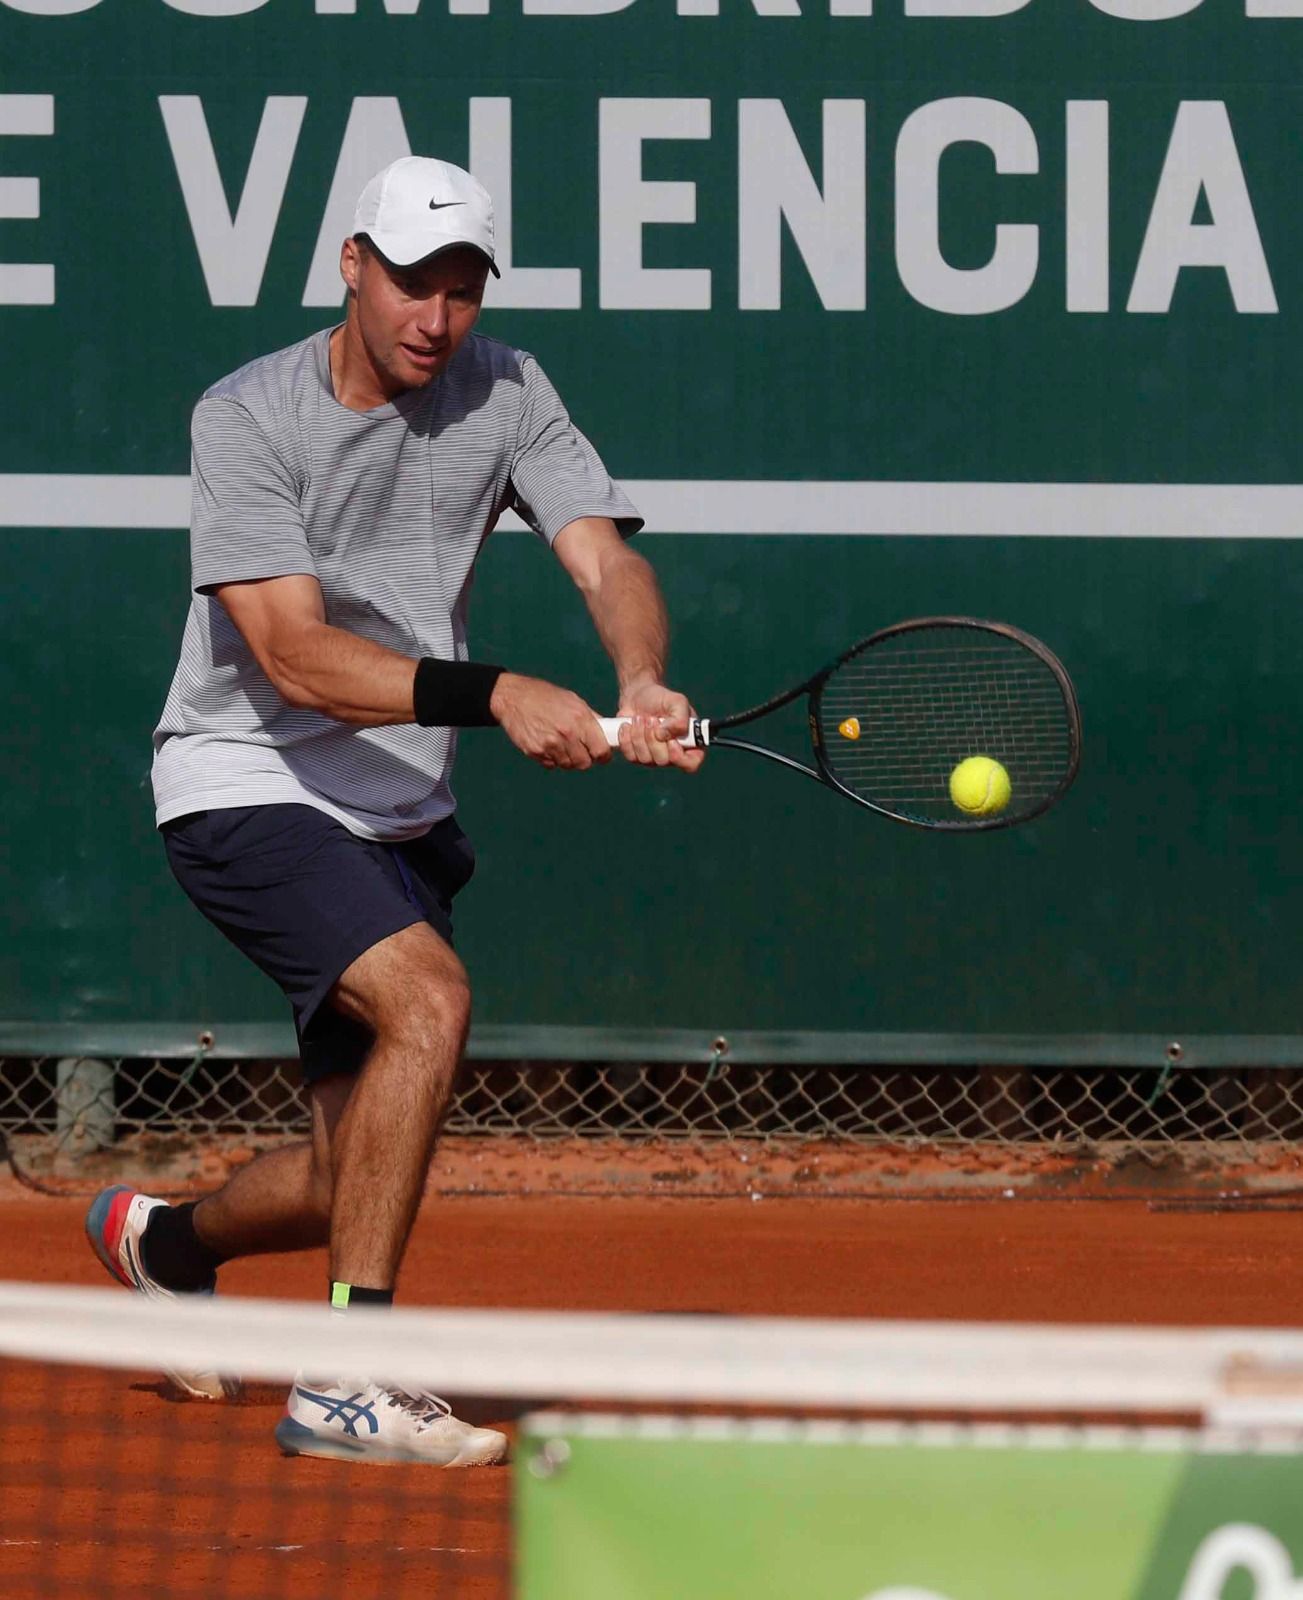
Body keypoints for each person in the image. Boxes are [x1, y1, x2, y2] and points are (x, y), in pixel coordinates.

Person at [84, 155, 703, 1467]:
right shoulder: (246, 418)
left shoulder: (511, 390)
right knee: (430, 1004)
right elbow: (295, 658)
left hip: (399, 810)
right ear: (352, 266)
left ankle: (167, 1248)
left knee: (346, 1166)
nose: (438, 315)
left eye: (465, 288)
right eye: (415, 280)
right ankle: (348, 1380)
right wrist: (502, 693)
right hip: (244, 780)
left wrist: (639, 676)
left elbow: (605, 554)